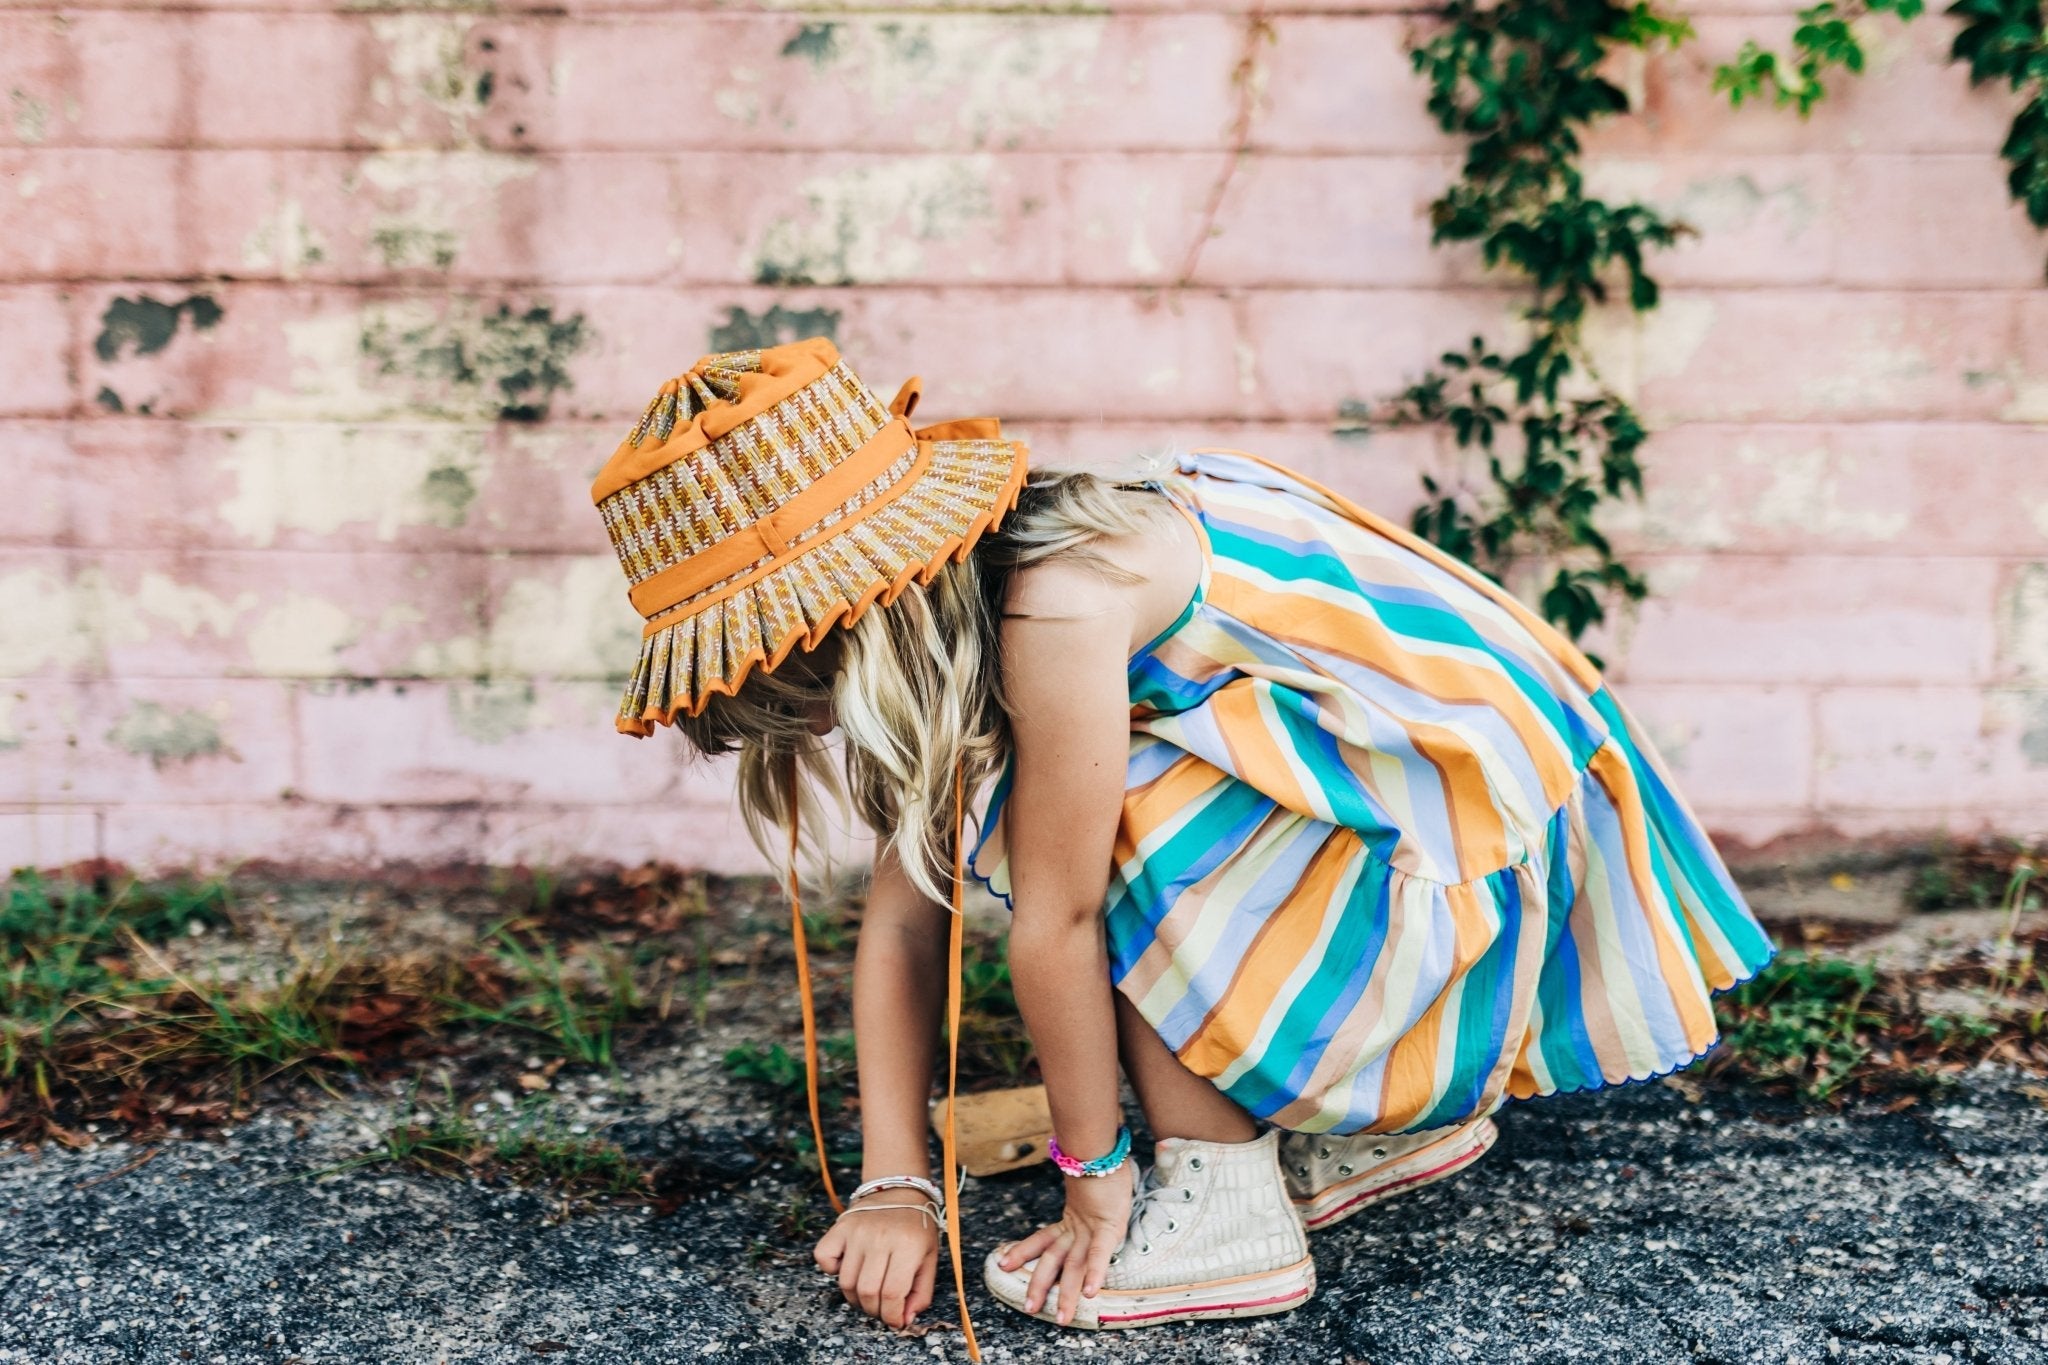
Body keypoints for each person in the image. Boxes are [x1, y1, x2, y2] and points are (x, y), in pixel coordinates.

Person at [588, 337, 1776, 1359]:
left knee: (1092, 823)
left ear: (850, 625)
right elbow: (904, 923)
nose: (817, 729)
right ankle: (1349, 1131)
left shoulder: (1054, 604)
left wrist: (1092, 1178)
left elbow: (1055, 919)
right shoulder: (982, 581)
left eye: (796, 689)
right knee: (1064, 799)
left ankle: (1221, 1209)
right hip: (1430, 848)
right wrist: (895, 1186)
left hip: (1474, 883)